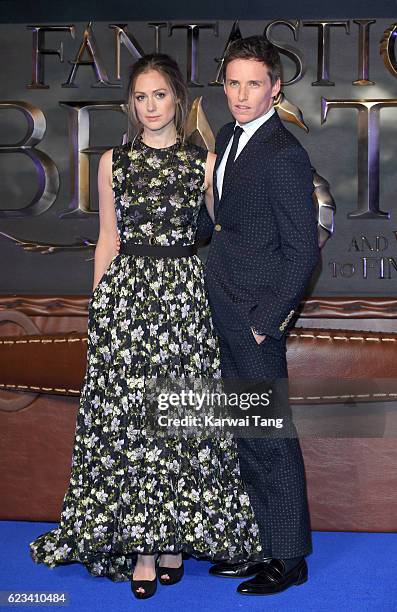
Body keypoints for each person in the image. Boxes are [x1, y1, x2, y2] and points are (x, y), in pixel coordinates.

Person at [29, 53, 264, 600]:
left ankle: (176, 536)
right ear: (130, 105)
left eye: (159, 95)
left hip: (183, 299)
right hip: (128, 299)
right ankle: (141, 545)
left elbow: (224, 235)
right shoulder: (114, 161)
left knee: (181, 422)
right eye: (140, 97)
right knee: (133, 425)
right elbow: (107, 237)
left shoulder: (202, 162)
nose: (150, 106)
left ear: (177, 99)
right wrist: (99, 308)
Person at [198, 36, 320, 595]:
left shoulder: (285, 155)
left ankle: (289, 558)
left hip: (253, 316)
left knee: (270, 436)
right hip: (220, 305)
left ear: (275, 88)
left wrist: (266, 320)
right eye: (232, 82)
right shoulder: (226, 137)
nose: (241, 94)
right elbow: (222, 225)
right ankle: (262, 544)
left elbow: (304, 251)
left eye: (253, 83)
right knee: (244, 436)